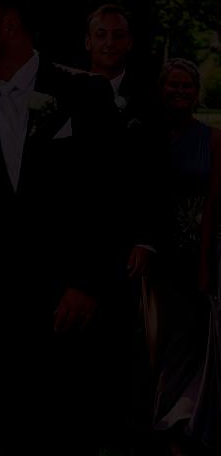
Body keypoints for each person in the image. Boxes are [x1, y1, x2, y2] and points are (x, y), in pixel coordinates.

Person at [0, 0, 121, 455]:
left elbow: (111, 193)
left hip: (72, 307)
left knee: (78, 433)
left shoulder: (85, 92)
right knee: (18, 431)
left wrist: (87, 281)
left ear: (9, 25)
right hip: (0, 311)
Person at [85, 4, 168, 446]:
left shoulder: (148, 102)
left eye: (118, 35)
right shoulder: (64, 94)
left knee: (120, 336)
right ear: (88, 41)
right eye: (101, 34)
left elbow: (157, 176)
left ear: (130, 43)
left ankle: (120, 428)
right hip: (73, 238)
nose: (109, 43)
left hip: (124, 244)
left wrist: (145, 240)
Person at [152, 58, 221, 455]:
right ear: (161, 89)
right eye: (173, 85)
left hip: (194, 251)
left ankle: (176, 421)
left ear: (197, 93)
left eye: (187, 86)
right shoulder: (147, 135)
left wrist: (205, 260)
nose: (179, 92)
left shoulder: (213, 139)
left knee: (187, 339)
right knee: (155, 336)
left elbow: (213, 204)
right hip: (151, 251)